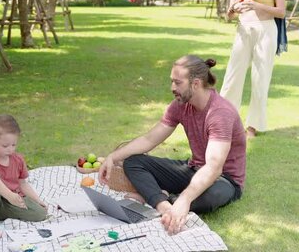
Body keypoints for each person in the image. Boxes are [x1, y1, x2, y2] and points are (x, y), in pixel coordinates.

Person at [99, 55, 246, 235]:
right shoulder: (180, 105)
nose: (172, 88)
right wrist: (112, 157)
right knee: (133, 162)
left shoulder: (219, 113)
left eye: (177, 83)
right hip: (194, 169)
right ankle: (162, 204)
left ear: (196, 83)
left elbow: (214, 168)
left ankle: (163, 198)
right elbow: (149, 140)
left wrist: (184, 200)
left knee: (212, 196)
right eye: (172, 82)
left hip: (224, 179)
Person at [220, 0, 287, 139]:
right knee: (233, 76)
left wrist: (254, 5)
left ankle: (252, 126)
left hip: (266, 31)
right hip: (243, 30)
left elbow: (281, 12)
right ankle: (224, 121)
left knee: (260, 78)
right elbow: (229, 15)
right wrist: (235, 9)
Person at [0, 114, 47, 232]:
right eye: (5, 145)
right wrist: (11, 196)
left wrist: (37, 200)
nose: (10, 149)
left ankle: (6, 214)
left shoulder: (18, 159)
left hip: (8, 203)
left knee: (41, 213)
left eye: (14, 145)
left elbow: (22, 184)